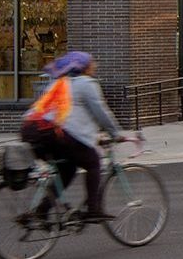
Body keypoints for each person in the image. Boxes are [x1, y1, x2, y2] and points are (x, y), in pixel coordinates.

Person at [20, 51, 136, 224]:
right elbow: (100, 112)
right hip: (51, 132)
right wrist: (115, 133)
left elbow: (70, 116)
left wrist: (92, 136)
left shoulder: (58, 82)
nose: (95, 66)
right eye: (91, 63)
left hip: (30, 129)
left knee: (68, 169)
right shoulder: (86, 83)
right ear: (83, 67)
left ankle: (41, 211)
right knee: (93, 161)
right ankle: (93, 209)